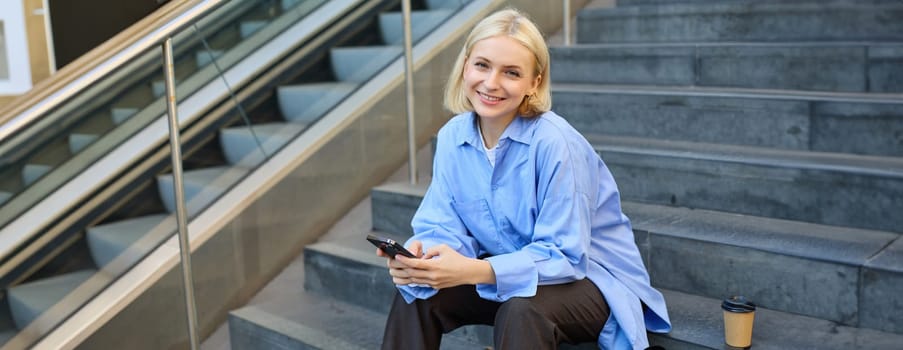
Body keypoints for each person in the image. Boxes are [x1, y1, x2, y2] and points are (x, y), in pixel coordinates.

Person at [375, 8, 671, 350]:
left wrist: (472, 271)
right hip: (509, 273)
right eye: (482, 65)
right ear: (466, 64)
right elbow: (443, 225)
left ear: (534, 82)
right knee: (418, 295)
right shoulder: (453, 138)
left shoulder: (556, 143)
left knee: (521, 309)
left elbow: (566, 258)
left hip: (590, 281)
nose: (491, 83)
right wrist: (421, 259)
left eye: (511, 72)